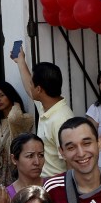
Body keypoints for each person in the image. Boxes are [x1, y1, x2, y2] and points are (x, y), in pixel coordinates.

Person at [13, 46, 74, 177]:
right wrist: (20, 61)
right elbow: (30, 88)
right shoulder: (47, 106)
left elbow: (71, 160)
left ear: (39, 89)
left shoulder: (61, 119)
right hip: (46, 183)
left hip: (58, 187)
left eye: (32, 84)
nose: (30, 87)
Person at [6, 133, 45, 198]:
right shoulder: (6, 196)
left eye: (41, 155)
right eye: (30, 156)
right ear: (14, 159)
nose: (37, 162)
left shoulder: (53, 188)